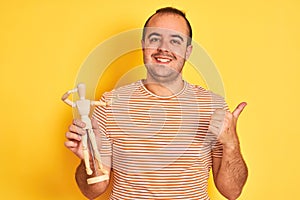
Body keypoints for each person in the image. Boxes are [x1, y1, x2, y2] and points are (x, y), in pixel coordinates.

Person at [65, 7, 248, 200]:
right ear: (143, 45)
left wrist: (231, 144)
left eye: (175, 41)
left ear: (188, 51)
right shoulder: (109, 105)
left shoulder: (213, 106)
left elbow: (232, 191)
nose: (163, 48)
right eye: (155, 39)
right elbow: (92, 191)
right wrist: (91, 159)